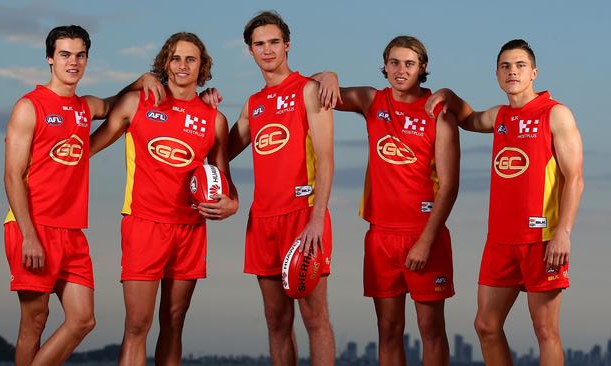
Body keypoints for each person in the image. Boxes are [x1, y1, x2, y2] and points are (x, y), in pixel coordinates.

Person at [3, 25, 163, 366]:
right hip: (32, 226)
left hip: (71, 230)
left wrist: (141, 80)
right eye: (64, 54)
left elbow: (110, 104)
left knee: (83, 319)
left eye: (80, 55)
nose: (72, 62)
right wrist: (29, 235)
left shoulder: (83, 107)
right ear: (50, 59)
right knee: (34, 321)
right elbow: (12, 176)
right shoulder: (29, 107)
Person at [426, 39, 584, 366]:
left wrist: (563, 233)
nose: (512, 71)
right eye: (505, 66)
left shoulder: (555, 114)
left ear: (534, 73)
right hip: (500, 241)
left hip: (541, 240)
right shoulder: (500, 116)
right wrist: (452, 98)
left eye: (520, 65)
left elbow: (575, 178)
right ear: (497, 74)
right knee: (486, 325)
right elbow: (470, 119)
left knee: (545, 330)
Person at [89, 32, 238, 366]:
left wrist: (232, 203)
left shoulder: (214, 119)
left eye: (190, 59)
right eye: (175, 58)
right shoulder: (137, 103)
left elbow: (224, 179)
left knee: (173, 323)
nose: (182, 65)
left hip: (190, 230)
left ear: (203, 68)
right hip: (144, 225)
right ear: (164, 63)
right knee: (137, 325)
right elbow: (85, 150)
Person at [313, 35, 459, 365]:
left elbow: (449, 186)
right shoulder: (371, 100)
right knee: (388, 329)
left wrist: (425, 241)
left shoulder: (440, 114)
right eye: (394, 62)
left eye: (409, 63)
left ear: (422, 68)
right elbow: (306, 88)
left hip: (425, 235)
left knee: (430, 328)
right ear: (385, 66)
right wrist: (329, 74)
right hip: (380, 236)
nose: (400, 70)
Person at [224, 11, 335, 366]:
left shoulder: (309, 90)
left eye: (274, 42)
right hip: (263, 221)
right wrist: (206, 107)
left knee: (314, 318)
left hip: (303, 218)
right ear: (251, 51)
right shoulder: (253, 105)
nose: (267, 49)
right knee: (276, 322)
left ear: (287, 45)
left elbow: (327, 158)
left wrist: (317, 219)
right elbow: (219, 151)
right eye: (259, 44)